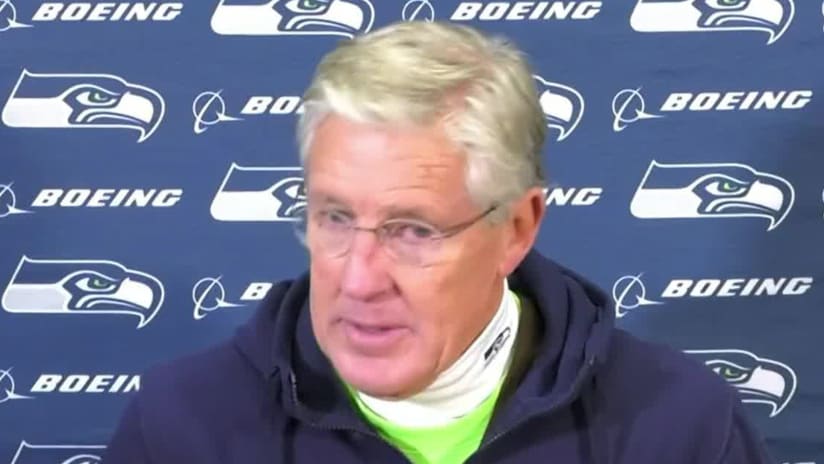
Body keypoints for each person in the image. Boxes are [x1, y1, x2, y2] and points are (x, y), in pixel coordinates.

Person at [103, 21, 776, 463]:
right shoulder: (180, 426)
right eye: (335, 218)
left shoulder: (682, 428)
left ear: (515, 227)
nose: (360, 279)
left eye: (414, 231)